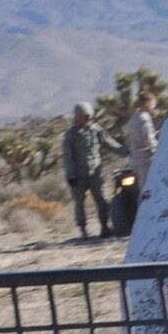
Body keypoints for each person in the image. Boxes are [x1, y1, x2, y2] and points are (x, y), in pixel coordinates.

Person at [62, 101, 120, 240]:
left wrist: (126, 151)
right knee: (79, 203)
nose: (87, 119)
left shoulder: (97, 130)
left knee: (102, 201)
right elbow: (68, 156)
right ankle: (83, 230)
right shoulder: (70, 135)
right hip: (78, 175)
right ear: (77, 117)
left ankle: (105, 228)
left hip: (96, 173)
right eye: (84, 116)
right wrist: (71, 175)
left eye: (88, 116)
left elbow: (109, 143)